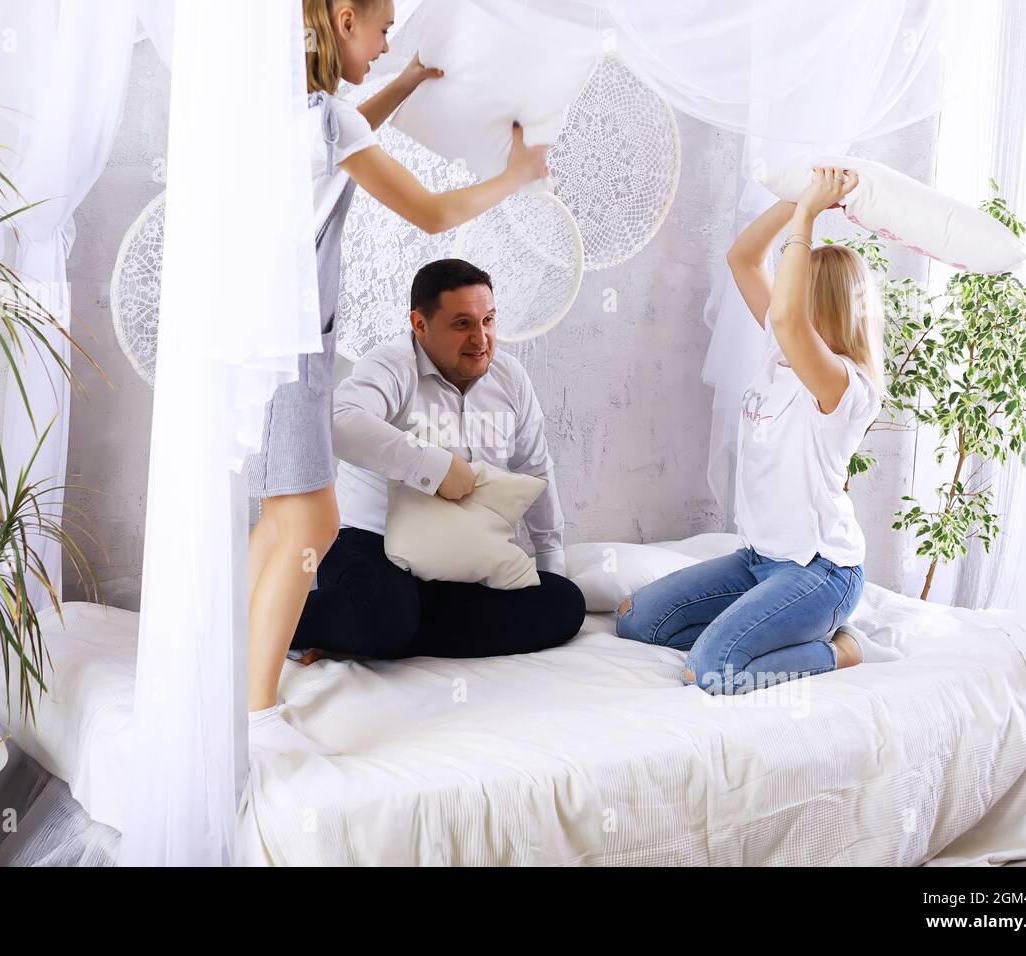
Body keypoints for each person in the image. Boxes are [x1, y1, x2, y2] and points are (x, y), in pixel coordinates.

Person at [247, 0, 553, 755]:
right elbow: (434, 214)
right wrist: (515, 176)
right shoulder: (327, 118)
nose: (386, 46)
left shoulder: (295, 111)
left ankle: (241, 674)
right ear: (345, 19)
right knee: (310, 525)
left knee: (281, 521)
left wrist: (411, 79)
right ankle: (254, 713)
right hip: (294, 349)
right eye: (385, 30)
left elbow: (346, 131)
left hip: (262, 343)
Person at [614, 166, 886, 695]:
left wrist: (807, 218)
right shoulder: (778, 352)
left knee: (710, 671)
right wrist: (798, 200)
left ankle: (838, 650)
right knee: (634, 620)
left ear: (817, 305)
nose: (784, 298)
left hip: (818, 571)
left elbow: (786, 318)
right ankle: (757, 631)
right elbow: (742, 259)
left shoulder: (843, 385)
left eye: (796, 290)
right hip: (758, 559)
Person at [289, 258, 586, 662]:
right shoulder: (390, 365)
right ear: (420, 324)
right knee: (387, 615)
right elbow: (337, 422)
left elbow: (534, 466)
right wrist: (436, 467)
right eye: (462, 324)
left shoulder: (510, 377)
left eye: (489, 320)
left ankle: (367, 631)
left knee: (563, 604)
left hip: (463, 553)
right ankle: (315, 623)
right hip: (373, 544)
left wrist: (549, 560)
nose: (481, 339)